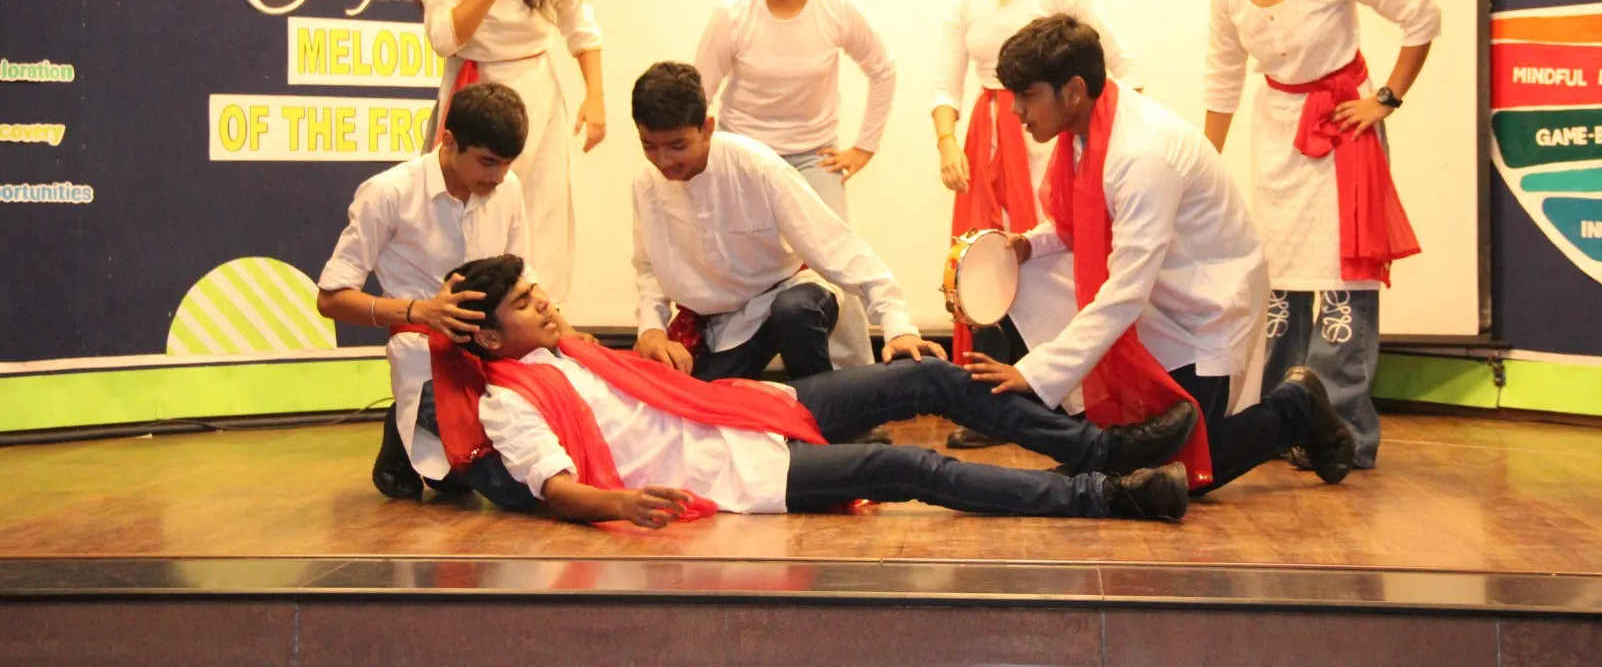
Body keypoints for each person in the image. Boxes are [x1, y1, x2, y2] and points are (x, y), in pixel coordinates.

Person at [443, 255, 1199, 523]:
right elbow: (555, 488)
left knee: (929, 374)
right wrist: (623, 505)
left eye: (538, 291)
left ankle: (1097, 448)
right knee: (908, 467)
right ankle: (1105, 497)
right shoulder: (509, 401)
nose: (545, 305)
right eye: (524, 305)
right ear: (488, 338)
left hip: (744, 408)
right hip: (724, 466)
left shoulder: (573, 349)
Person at [960, 14, 1358, 491]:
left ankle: (1296, 406)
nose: (1016, 111)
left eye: (1027, 95)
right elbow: (1078, 226)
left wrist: (1033, 372)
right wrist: (1028, 244)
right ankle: (1103, 458)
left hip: (1206, 310)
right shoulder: (1088, 128)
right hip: (1157, 296)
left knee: (1183, 475)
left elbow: (1125, 293)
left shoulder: (1143, 154)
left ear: (1073, 91)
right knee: (1140, 464)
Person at [1204, 0, 1438, 470]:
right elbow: (1223, 76)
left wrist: (1385, 98)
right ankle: (1281, 424)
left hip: (1341, 132)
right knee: (1280, 284)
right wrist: (1204, 162)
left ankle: (1342, 433)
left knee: (1342, 280)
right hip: (1277, 134)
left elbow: (1421, 15)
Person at [931, 0, 1143, 448]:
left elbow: (1121, 64)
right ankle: (989, 407)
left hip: (1052, 135)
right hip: (989, 141)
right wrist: (948, 143)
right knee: (985, 259)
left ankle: (1064, 392)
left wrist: (1105, 139)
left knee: (1056, 250)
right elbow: (944, 82)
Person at [314, 81, 590, 504]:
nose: (498, 177)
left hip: (498, 348)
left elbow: (523, 273)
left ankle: (413, 434)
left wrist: (567, 336)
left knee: (558, 437)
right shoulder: (387, 193)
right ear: (448, 141)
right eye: (488, 162)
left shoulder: (509, 188)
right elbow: (331, 298)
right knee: (505, 488)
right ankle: (408, 433)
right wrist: (422, 311)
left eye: (507, 164)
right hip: (425, 350)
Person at [630, 62, 934, 384]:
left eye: (677, 146)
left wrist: (898, 326)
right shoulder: (646, 183)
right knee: (696, 406)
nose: (663, 160)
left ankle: (824, 410)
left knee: (795, 311)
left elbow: (837, 246)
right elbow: (649, 267)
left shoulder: (756, 166)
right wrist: (652, 329)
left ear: (707, 128)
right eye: (649, 146)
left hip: (784, 296)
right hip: (719, 328)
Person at [695, 0, 897, 374]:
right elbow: (698, 93)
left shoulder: (835, 8)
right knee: (737, 265)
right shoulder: (733, 14)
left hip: (811, 158)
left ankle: (857, 380)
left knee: (838, 264)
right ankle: (725, 374)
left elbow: (883, 69)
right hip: (744, 157)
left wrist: (864, 147)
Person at [418, 0, 606, 308]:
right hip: (473, 89)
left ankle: (539, 314)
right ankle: (465, 312)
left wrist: (595, 97)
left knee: (542, 210)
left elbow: (582, 31)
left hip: (535, 92)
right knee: (465, 203)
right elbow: (445, 38)